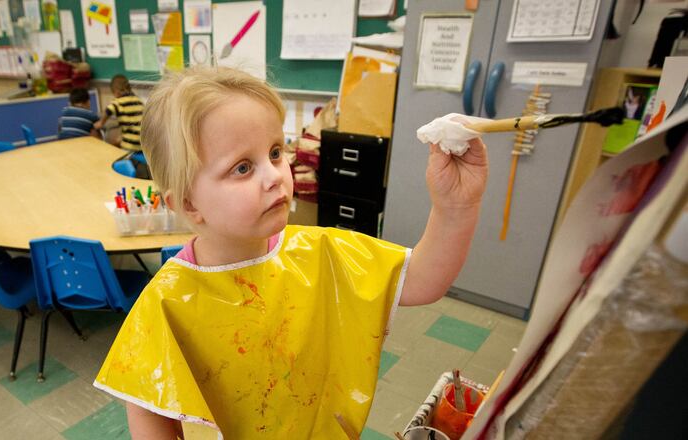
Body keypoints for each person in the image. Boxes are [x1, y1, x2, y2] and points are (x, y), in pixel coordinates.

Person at [94, 66, 489, 439]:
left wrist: (455, 209)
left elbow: (423, 279)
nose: (274, 177)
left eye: (276, 152)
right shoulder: (166, 305)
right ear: (189, 204)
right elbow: (148, 413)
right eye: (243, 168)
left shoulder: (323, 253)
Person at [94, 74, 144, 152]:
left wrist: (101, 122)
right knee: (118, 140)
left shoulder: (117, 102)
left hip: (130, 146)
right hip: (143, 144)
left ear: (116, 91)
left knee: (112, 149)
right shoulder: (139, 100)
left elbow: (108, 110)